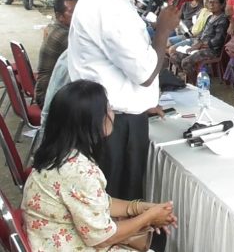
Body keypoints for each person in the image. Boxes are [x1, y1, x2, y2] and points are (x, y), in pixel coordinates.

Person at [67, 0, 180, 200]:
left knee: (114, 193)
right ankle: (123, 241)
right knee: (120, 196)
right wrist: (163, 32)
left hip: (105, 110)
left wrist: (144, 102)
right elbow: (144, 73)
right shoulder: (112, 7)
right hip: (113, 123)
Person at [22, 80, 178, 252]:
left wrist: (139, 208)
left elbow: (98, 201)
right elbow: (103, 238)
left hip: (50, 239)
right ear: (95, 121)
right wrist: (149, 216)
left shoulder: (58, 153)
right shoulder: (78, 170)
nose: (113, 114)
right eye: (109, 108)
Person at [170, 0, 229, 81]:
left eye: (214, 2)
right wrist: (197, 43)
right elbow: (203, 33)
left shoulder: (222, 20)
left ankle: (194, 83)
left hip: (212, 50)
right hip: (200, 46)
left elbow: (217, 40)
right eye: (210, 2)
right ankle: (189, 77)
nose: (211, 4)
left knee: (186, 62)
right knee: (175, 56)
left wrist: (200, 45)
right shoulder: (210, 17)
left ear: (221, 5)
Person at [35, 0, 78, 107]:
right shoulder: (63, 36)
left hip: (52, 90)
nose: (78, 14)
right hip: (48, 98)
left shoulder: (54, 27)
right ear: (60, 16)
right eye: (72, 11)